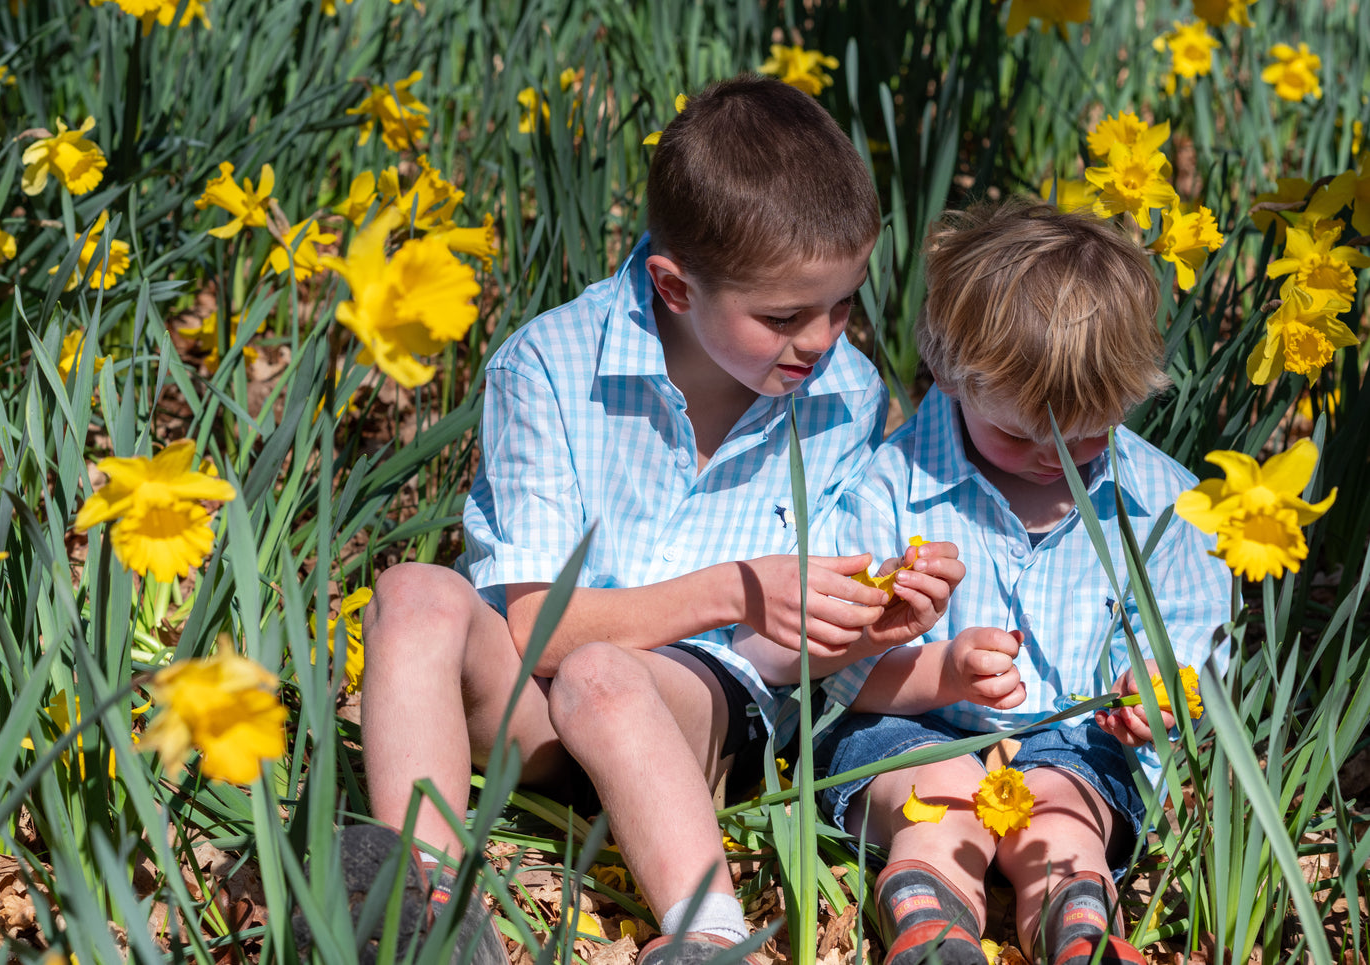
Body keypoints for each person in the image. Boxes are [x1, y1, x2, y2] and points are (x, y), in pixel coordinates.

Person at [357, 75, 964, 964]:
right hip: (532, 709)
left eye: (843, 303)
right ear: (674, 287)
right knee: (413, 592)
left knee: (606, 675)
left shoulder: (846, 397)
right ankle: (427, 897)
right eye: (784, 316)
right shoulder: (548, 365)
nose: (823, 338)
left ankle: (709, 934)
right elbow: (530, 627)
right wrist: (736, 587)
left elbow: (783, 655)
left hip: (697, 716)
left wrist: (868, 621)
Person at [811, 199, 1230, 965]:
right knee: (935, 802)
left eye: (1085, 435)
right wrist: (940, 670)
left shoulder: (1165, 504)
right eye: (1017, 433)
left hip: (1072, 739)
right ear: (947, 373)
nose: (1053, 459)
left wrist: (1158, 702)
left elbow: (1193, 646)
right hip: (917, 732)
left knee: (1062, 818)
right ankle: (932, 924)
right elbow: (839, 675)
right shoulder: (889, 490)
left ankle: (1077, 932)